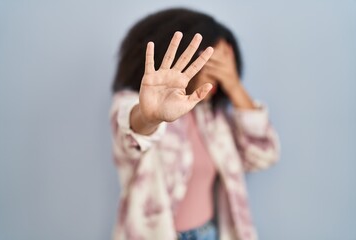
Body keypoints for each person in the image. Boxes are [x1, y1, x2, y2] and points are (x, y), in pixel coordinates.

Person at [109, 7, 280, 240]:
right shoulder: (132, 104)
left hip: (208, 233)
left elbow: (264, 154)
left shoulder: (212, 118)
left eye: (225, 65)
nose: (219, 75)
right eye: (213, 65)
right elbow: (130, 134)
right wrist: (149, 117)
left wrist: (234, 85)